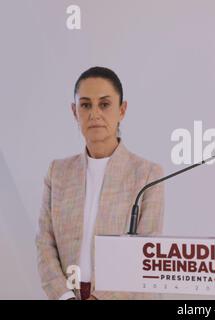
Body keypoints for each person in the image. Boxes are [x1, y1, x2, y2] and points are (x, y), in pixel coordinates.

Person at [36, 67, 164, 300]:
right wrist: (65, 296)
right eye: (85, 105)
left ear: (122, 110)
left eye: (104, 104)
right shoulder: (57, 172)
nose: (94, 114)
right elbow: (45, 244)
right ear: (74, 111)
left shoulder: (147, 174)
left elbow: (145, 255)